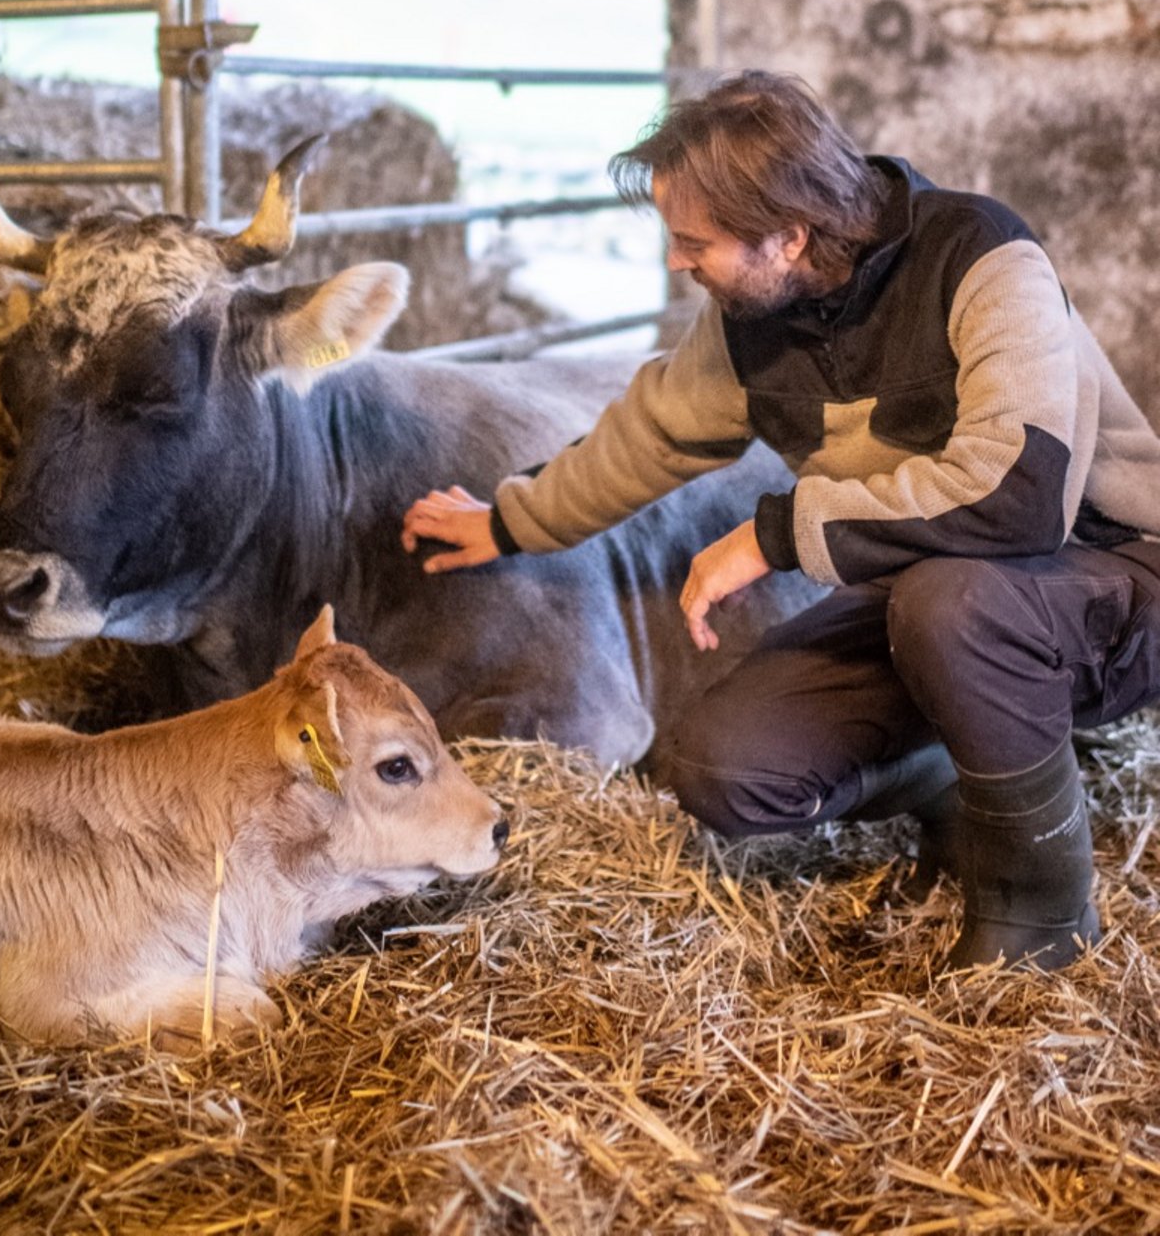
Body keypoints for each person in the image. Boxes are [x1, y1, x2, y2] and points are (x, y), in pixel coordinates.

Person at [402, 71, 1160, 970]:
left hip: (1108, 574)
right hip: (931, 600)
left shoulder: (983, 256)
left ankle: (1042, 913)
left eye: (695, 242)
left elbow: (1018, 498)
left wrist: (775, 533)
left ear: (790, 236)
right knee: (721, 766)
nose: (678, 262)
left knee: (955, 604)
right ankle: (962, 767)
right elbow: (647, 435)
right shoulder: (751, 316)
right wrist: (508, 522)